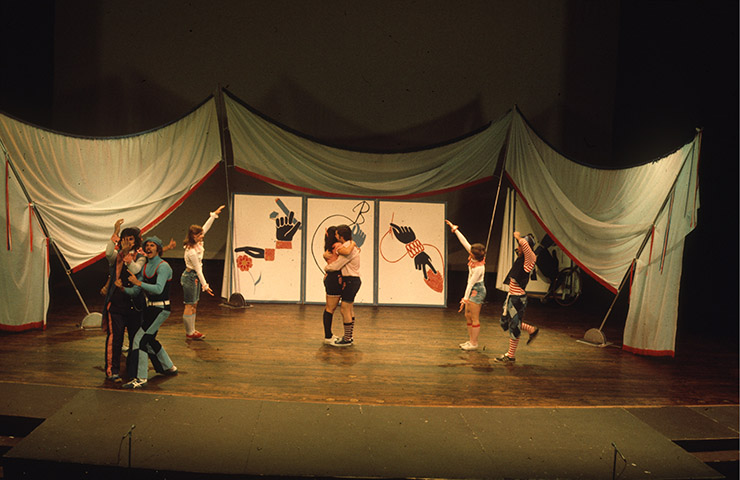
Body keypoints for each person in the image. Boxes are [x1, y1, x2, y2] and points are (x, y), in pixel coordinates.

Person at [122, 236, 178, 389]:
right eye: (147, 245)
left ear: (158, 249)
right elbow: (136, 290)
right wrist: (122, 289)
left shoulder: (163, 266)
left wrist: (139, 282)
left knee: (139, 340)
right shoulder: (146, 266)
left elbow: (159, 289)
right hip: (150, 308)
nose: (148, 248)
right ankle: (169, 367)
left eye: (152, 245)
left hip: (161, 309)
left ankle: (140, 378)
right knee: (149, 339)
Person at [102, 219, 145, 382]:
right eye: (125, 239)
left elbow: (136, 269)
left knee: (135, 338)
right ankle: (112, 370)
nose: (128, 242)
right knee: (116, 337)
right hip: (117, 303)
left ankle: (132, 370)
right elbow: (108, 253)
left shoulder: (140, 256)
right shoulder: (117, 256)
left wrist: (127, 255)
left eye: (131, 239)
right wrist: (115, 232)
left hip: (134, 303)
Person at [181, 205, 225, 340]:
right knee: (189, 304)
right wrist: (205, 285)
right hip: (190, 276)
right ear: (193, 236)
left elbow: (205, 228)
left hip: (194, 276)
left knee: (194, 304)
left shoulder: (198, 243)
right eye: (199, 235)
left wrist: (213, 216)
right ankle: (189, 332)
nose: (202, 236)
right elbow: (198, 269)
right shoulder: (192, 251)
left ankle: (192, 330)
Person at [496, 231, 540, 364]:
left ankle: (511, 355)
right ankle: (531, 329)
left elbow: (524, 244)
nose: (518, 248)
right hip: (512, 297)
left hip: (518, 299)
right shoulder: (522, 258)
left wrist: (518, 236)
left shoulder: (530, 259)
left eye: (520, 246)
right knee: (505, 322)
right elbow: (522, 245)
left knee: (514, 327)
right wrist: (519, 240)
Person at [446, 220, 486, 350]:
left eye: (471, 252)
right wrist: (455, 229)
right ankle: (470, 340)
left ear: (474, 255)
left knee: (474, 317)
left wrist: (465, 299)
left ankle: (474, 343)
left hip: (477, 290)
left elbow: (471, 283)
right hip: (471, 289)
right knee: (467, 315)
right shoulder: (474, 256)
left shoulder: (479, 268)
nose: (469, 252)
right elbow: (464, 242)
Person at [324, 224, 361, 347]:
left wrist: (326, 268)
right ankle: (348, 337)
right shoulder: (348, 247)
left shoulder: (345, 249)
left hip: (350, 280)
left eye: (337, 234)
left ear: (340, 236)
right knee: (348, 309)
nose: (335, 236)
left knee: (345, 309)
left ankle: (347, 338)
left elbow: (336, 265)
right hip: (350, 280)